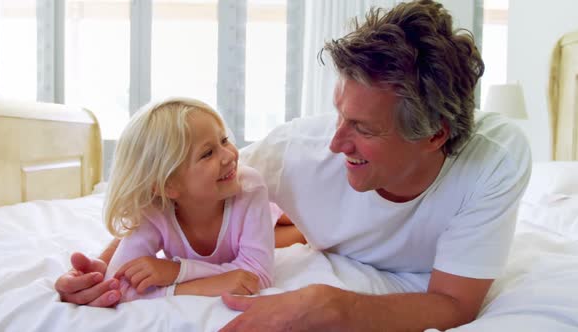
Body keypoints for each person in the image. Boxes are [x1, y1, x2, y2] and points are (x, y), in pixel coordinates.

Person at [55, 0, 532, 330]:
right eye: (338, 112)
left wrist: (335, 307)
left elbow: (454, 303)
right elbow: (166, 196)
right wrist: (98, 270)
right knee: (282, 223)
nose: (335, 140)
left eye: (363, 128)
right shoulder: (292, 152)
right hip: (297, 225)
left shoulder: (494, 161)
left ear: (434, 136)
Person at [70, 97, 275, 303]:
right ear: (167, 186)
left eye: (223, 140)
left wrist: (177, 271)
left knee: (288, 229)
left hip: (258, 214)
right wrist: (206, 285)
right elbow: (120, 287)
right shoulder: (153, 211)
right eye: (207, 153)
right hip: (234, 233)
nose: (229, 156)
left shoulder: (250, 186)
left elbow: (258, 274)